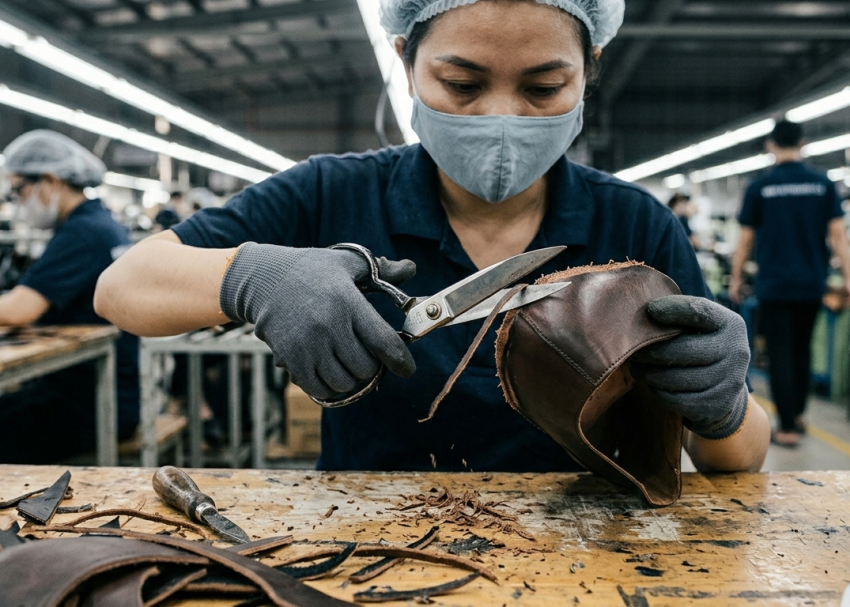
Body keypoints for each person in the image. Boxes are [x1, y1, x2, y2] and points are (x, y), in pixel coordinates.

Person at [96, 0, 769, 475]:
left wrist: (723, 403)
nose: (502, 117)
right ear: (406, 61)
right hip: (367, 544)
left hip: (584, 555)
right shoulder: (331, 192)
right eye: (461, 83)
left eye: (544, 87)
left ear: (589, 67)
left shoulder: (636, 223)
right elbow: (122, 286)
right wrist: (250, 276)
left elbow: (734, 457)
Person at [0, 130, 140, 463]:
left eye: (19, 190)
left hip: (93, 403)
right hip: (103, 390)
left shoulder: (82, 233)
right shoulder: (99, 223)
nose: (18, 203)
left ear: (48, 181)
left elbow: (19, 310)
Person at [730, 120, 850, 448]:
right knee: (802, 349)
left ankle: (786, 427)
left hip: (774, 284)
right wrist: (849, 277)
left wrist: (737, 276)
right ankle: (796, 414)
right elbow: (838, 234)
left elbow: (745, 238)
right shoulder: (822, 183)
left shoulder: (760, 186)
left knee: (780, 352)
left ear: (771, 145)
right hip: (812, 283)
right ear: (804, 143)